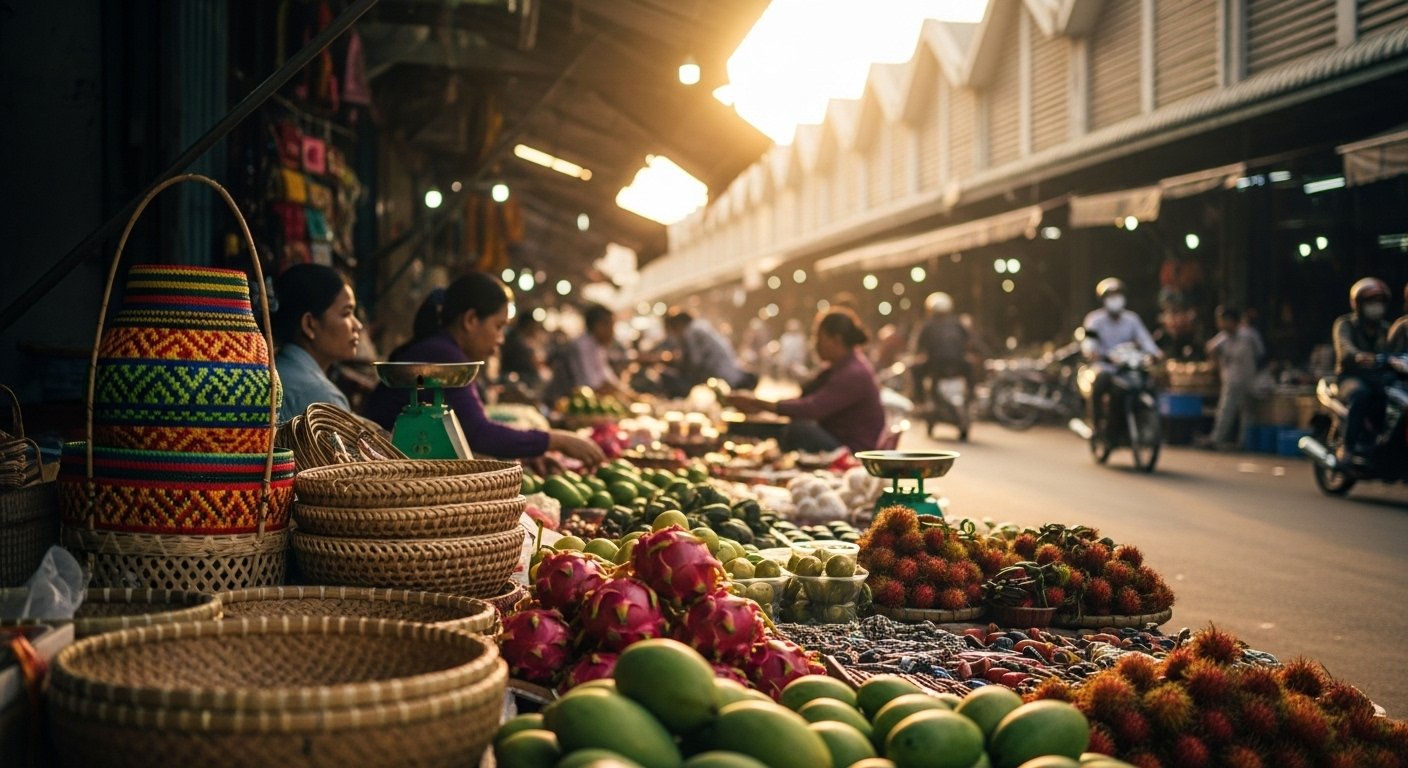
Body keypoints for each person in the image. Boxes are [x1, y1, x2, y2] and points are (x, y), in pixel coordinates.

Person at [362, 273, 605, 467]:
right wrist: (555, 440)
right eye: (498, 326)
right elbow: (478, 432)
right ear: (470, 320)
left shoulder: (442, 348)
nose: (501, 339)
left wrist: (531, 451)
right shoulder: (444, 355)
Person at [725, 309, 885, 453]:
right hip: (835, 438)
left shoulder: (854, 372)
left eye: (819, 337)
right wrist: (760, 409)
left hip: (852, 450)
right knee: (753, 427)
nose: (814, 344)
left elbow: (812, 408)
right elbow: (803, 399)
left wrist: (759, 403)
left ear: (836, 340)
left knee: (798, 429)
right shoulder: (836, 367)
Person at [270, 264, 362, 422]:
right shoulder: (321, 396)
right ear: (309, 324)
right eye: (346, 313)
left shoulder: (277, 371)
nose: (357, 325)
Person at [1079, 277, 1162, 433]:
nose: (1115, 299)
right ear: (1103, 299)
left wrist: (1156, 353)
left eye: (1117, 295)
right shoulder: (1094, 319)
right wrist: (1091, 351)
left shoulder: (1132, 319)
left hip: (1128, 367)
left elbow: (1145, 339)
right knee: (1100, 382)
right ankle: (1096, 425)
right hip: (1105, 366)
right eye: (1111, 296)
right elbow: (1089, 341)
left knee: (1148, 381)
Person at [1331, 277, 1396, 465]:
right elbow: (1344, 347)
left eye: (1379, 302)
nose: (1375, 306)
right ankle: (1348, 447)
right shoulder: (1345, 324)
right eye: (1371, 302)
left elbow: (1397, 349)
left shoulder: (1386, 329)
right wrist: (1358, 356)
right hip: (1350, 377)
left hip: (1378, 379)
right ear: (1359, 304)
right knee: (1361, 395)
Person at [1201, 305, 1264, 450]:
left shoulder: (1249, 335)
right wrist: (1217, 365)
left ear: (1231, 320)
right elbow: (1210, 348)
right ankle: (1217, 439)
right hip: (1231, 379)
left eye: (1223, 320)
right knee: (1226, 410)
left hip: (1248, 377)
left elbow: (1261, 354)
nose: (1220, 324)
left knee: (1247, 412)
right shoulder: (1223, 337)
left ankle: (1244, 442)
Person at [658, 309, 757, 397]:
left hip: (724, 379)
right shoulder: (699, 327)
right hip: (728, 377)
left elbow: (695, 361)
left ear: (678, 325)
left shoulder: (692, 331)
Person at [911, 292, 971, 406]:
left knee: (915, 370)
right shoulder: (957, 323)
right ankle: (971, 397)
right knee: (971, 371)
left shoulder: (927, 325)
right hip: (959, 362)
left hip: (935, 364)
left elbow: (918, 346)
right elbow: (970, 340)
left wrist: (916, 355)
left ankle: (920, 401)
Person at [499, 313, 548, 396]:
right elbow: (528, 365)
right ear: (529, 324)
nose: (536, 328)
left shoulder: (520, 339)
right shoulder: (516, 341)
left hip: (521, 381)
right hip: (516, 383)